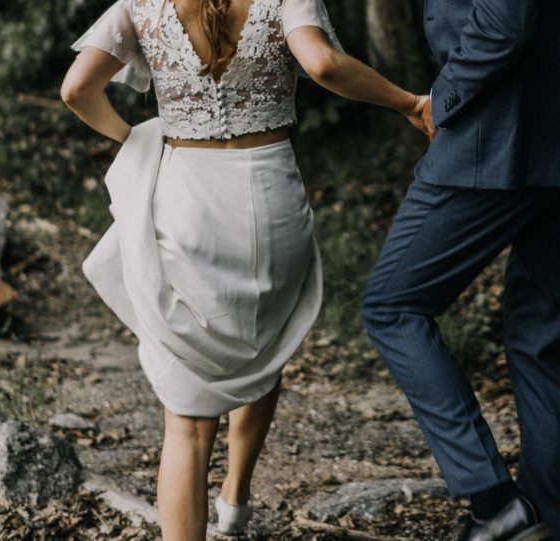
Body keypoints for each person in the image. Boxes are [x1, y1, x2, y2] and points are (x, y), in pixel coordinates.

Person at [61, 0, 428, 538]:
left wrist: (135, 140)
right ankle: (235, 496)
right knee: (264, 344)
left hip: (188, 201)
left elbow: (76, 90)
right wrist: (408, 102)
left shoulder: (140, 5)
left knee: (186, 425)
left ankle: (222, 506)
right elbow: (323, 65)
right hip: (271, 201)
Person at [361, 0, 560, 540]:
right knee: (541, 337)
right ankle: (546, 518)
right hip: (547, 136)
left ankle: (495, 500)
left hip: (494, 136)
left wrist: (445, 101)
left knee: (392, 305)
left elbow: (507, 23)